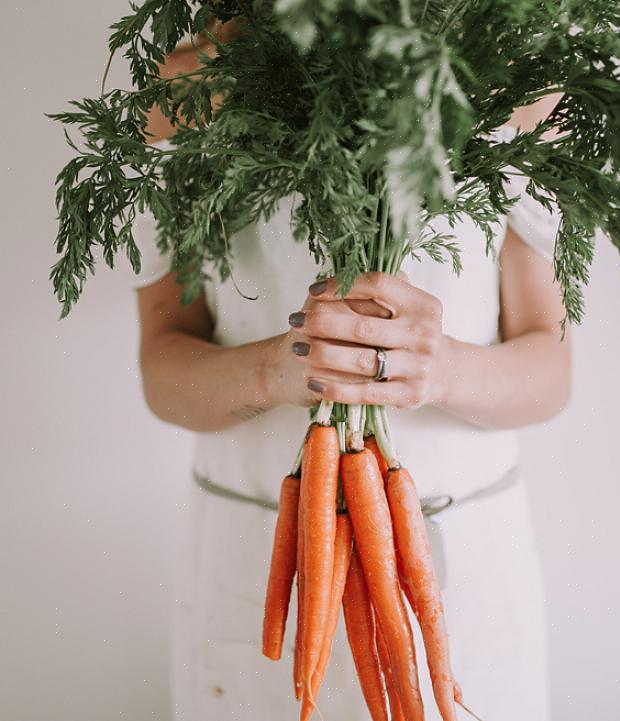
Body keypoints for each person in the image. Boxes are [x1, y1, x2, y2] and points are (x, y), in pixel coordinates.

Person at [130, 23, 571, 721]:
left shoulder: (507, 80)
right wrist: (276, 371)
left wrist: (443, 369)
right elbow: (163, 368)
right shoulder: (184, 94)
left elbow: (550, 369)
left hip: (467, 575)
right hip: (261, 573)